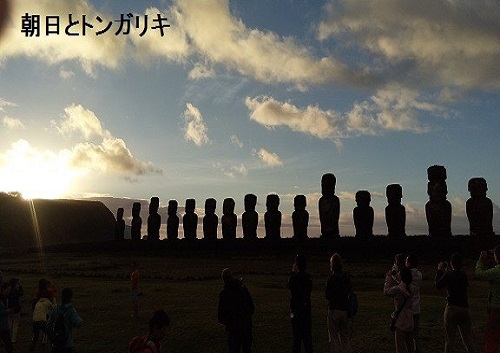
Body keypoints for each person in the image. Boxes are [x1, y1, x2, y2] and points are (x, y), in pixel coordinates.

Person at [435, 253, 477, 353]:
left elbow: (438, 285)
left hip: (452, 308)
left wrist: (440, 271)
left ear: (451, 263)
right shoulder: (463, 274)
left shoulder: (448, 274)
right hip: (464, 308)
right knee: (468, 340)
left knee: (449, 341)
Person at [218, 268, 254, 353]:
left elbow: (220, 317)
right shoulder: (242, 288)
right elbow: (251, 307)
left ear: (224, 280)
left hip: (234, 331)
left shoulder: (224, 294)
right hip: (246, 328)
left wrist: (230, 323)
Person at [475, 246, 500, 353]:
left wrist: (480, 260)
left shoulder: (496, 271)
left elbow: (479, 274)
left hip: (496, 309)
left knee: (491, 338)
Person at [325, 253, 351, 353]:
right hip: (344, 309)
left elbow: (327, 294)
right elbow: (349, 290)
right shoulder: (346, 276)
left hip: (334, 309)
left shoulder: (331, 277)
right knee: (345, 338)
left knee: (334, 338)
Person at [384, 267, 414, 353]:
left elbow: (386, 291)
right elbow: (402, 284)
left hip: (400, 322)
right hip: (410, 320)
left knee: (400, 348)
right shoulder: (411, 288)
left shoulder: (397, 289)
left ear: (401, 276)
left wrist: (388, 278)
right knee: (410, 347)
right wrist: (395, 276)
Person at [288, 254, 313, 353]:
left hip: (296, 311)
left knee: (297, 339)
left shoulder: (294, 278)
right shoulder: (308, 278)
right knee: (307, 340)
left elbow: (290, 286)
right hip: (306, 310)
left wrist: (293, 272)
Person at [46, 288, 83, 353]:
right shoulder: (71, 310)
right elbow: (79, 323)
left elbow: (48, 325)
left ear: (62, 296)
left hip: (56, 342)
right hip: (67, 343)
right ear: (70, 297)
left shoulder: (55, 308)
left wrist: (52, 337)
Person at [406, 254, 423, 353]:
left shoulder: (408, 274)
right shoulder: (419, 274)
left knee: (408, 335)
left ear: (409, 263)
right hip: (417, 308)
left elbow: (401, 282)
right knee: (416, 335)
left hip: (409, 308)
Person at [7, 278, 22, 343]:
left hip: (9, 309)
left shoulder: (8, 291)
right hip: (16, 310)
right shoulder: (16, 291)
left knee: (9, 324)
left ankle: (8, 337)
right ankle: (13, 339)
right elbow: (22, 293)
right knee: (15, 325)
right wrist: (20, 286)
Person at [0, 282, 12, 353]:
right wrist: (6, 312)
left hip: (5, 326)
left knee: (9, 346)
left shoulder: (6, 299)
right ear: (2, 289)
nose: (9, 291)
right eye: (7, 289)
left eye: (9, 289)